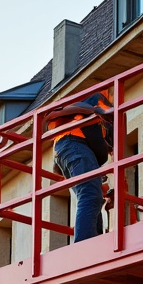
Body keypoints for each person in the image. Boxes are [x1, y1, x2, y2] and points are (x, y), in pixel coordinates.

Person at [47, 88, 114, 242]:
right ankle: (85, 244)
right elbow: (53, 115)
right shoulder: (97, 103)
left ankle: (93, 242)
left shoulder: (103, 118)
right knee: (90, 195)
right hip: (75, 144)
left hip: (70, 149)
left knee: (93, 197)